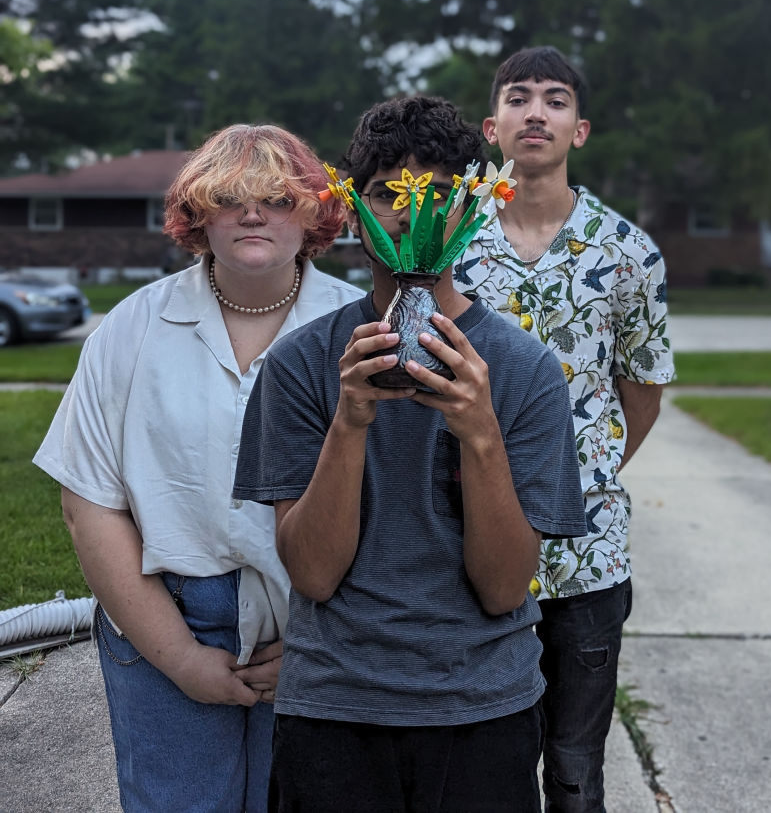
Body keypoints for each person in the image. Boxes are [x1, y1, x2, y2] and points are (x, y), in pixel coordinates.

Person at [233, 96, 587, 813]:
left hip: (482, 705)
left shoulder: (523, 372)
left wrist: (481, 434)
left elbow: (503, 588)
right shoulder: (303, 365)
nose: (406, 212)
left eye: (431, 193)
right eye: (387, 193)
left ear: (469, 207)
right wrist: (351, 421)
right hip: (335, 705)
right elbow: (313, 573)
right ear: (354, 210)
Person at [33, 123, 364, 813]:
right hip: (161, 621)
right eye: (229, 197)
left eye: (277, 196)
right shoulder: (131, 328)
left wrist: (313, 641)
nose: (252, 213)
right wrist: (179, 656)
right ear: (196, 217)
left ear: (315, 213)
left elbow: (394, 512)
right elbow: (87, 501)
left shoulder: (357, 331)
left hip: (326, 628)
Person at [455, 47, 675, 813]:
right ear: (493, 126)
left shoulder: (628, 253)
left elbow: (642, 389)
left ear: (580, 130)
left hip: (587, 555)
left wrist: (588, 466)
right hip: (464, 545)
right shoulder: (447, 243)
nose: (537, 112)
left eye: (555, 100)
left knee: (576, 771)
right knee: (485, 764)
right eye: (519, 98)